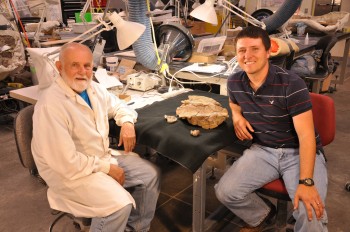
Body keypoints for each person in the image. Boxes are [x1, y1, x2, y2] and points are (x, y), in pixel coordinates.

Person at [31, 42, 160, 232]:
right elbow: (66, 163)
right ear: (59, 67)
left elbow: (118, 106)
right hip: (69, 174)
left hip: (97, 158)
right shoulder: (51, 106)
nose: (82, 71)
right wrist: (107, 168)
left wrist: (126, 123)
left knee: (150, 175)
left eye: (87, 66)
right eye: (74, 65)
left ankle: (136, 228)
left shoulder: (93, 90)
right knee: (118, 205)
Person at [215, 26, 328, 232]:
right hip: (263, 150)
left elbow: (306, 136)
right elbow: (233, 103)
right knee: (225, 191)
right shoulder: (235, 82)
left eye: (255, 49)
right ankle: (264, 216)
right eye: (241, 50)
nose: (247, 56)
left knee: (310, 213)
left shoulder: (292, 84)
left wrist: (307, 182)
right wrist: (237, 115)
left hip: (297, 151)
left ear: (269, 52)